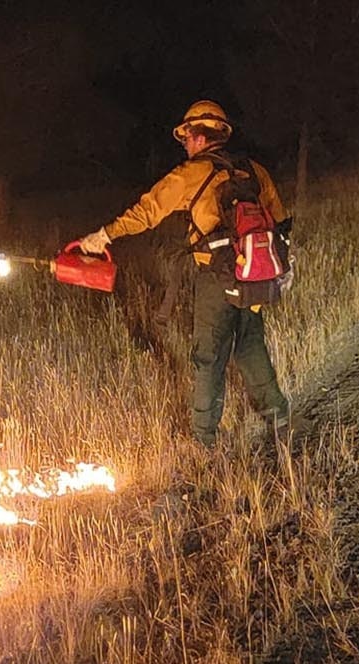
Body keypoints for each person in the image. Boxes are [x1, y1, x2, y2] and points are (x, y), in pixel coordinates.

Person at [77, 100, 291, 449]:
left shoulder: (190, 174)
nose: (185, 144)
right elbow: (279, 220)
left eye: (187, 137)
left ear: (198, 136)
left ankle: (204, 438)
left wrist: (104, 235)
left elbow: (147, 212)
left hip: (216, 278)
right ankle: (280, 416)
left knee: (208, 356)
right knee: (251, 346)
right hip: (256, 274)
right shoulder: (254, 170)